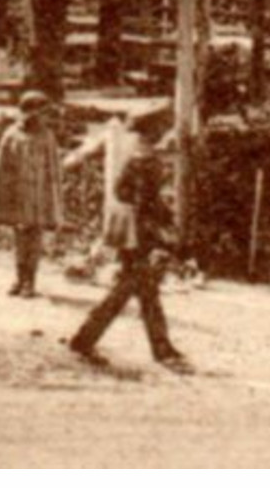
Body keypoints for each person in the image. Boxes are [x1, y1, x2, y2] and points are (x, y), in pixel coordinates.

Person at [68, 123, 190, 372]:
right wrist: (164, 228)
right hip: (141, 237)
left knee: (146, 293)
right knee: (127, 291)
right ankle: (84, 339)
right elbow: (148, 203)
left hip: (132, 235)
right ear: (156, 137)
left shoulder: (136, 160)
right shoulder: (148, 164)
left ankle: (161, 346)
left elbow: (122, 193)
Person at [0, 90, 64, 298]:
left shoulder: (47, 137)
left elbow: (53, 171)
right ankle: (19, 278)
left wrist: (53, 200)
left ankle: (31, 280)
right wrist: (4, 198)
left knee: (35, 238)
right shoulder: (12, 135)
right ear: (28, 112)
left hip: (39, 196)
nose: (42, 118)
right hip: (18, 196)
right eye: (39, 113)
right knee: (20, 237)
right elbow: (2, 170)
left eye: (45, 114)